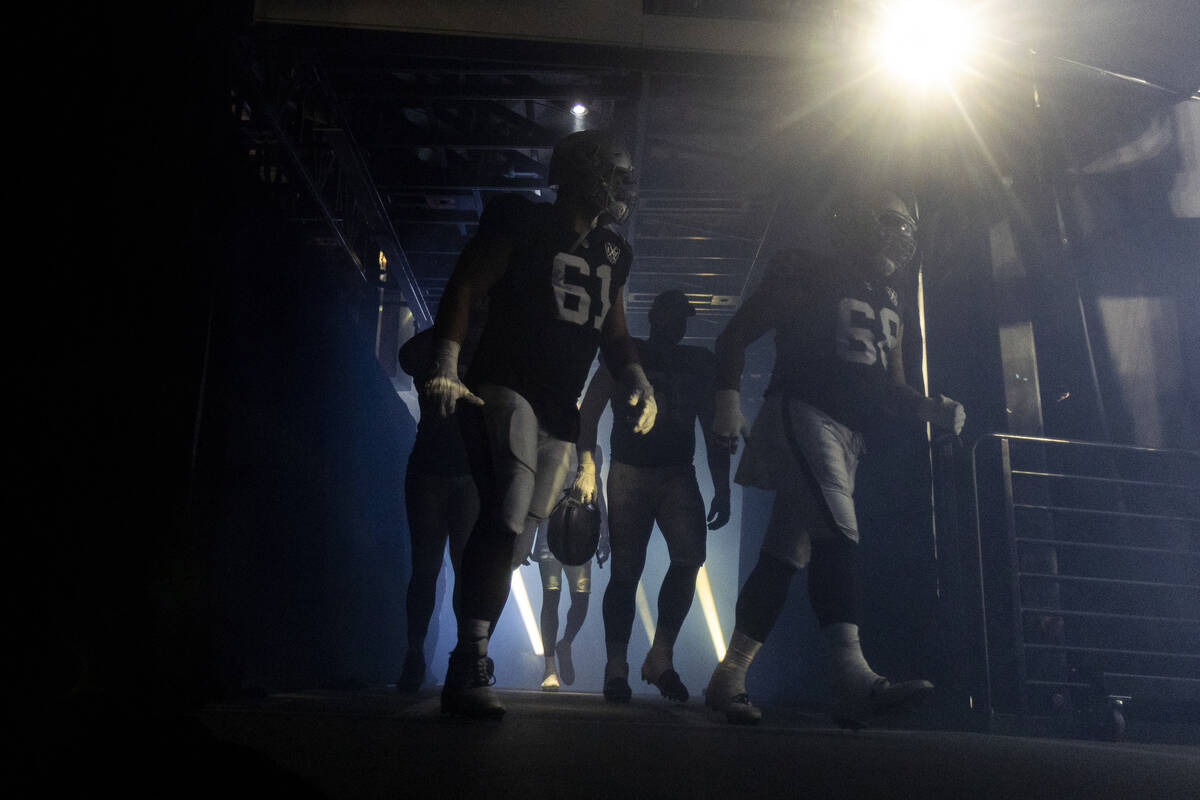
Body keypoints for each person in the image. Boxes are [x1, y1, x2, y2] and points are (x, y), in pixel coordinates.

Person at [702, 188, 966, 727]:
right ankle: (852, 678)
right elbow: (735, 334)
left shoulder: (891, 297)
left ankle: (728, 676)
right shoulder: (813, 272)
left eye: (905, 227)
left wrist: (928, 408)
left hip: (849, 435)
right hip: (803, 412)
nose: (898, 235)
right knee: (840, 535)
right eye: (887, 221)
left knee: (783, 557)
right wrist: (727, 399)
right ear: (855, 222)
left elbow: (891, 387)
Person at [424, 129, 656, 718]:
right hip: (504, 381)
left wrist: (635, 375)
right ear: (585, 172)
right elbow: (468, 285)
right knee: (504, 513)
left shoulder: (613, 252)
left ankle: (467, 654)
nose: (625, 187)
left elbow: (615, 331)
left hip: (560, 404)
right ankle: (469, 660)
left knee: (519, 534)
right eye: (616, 173)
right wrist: (448, 360)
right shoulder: (523, 221)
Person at [576, 289, 732, 704]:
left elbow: (712, 426)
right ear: (655, 318)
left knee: (686, 558)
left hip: (673, 471)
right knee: (628, 571)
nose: (677, 325)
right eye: (673, 316)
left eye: (681, 317)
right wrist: (587, 467)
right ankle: (620, 665)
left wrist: (723, 485)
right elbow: (588, 412)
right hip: (633, 470)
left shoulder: (696, 364)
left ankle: (655, 657)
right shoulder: (629, 355)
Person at [394, 317, 484, 693]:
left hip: (460, 472)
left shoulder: (486, 345)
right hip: (435, 469)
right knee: (429, 569)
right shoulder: (432, 347)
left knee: (456, 571)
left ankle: (454, 658)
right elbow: (407, 357)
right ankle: (418, 655)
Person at [518, 446, 610, 692]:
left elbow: (597, 488)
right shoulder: (547, 445)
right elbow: (535, 488)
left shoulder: (592, 450)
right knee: (551, 596)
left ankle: (565, 642)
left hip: (580, 530)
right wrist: (527, 528)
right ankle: (549, 668)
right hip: (550, 528)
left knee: (581, 600)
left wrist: (604, 532)